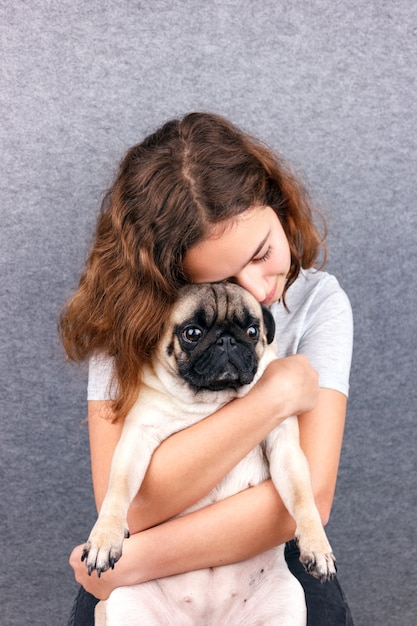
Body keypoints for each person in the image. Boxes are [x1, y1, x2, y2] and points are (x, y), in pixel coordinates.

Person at [61, 112, 354, 625]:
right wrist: (273, 397)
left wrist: (125, 565)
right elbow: (127, 507)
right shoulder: (137, 313)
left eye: (262, 252)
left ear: (277, 204)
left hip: (257, 559)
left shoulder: (320, 301)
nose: (256, 287)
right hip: (143, 570)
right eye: (220, 279)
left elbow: (311, 502)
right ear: (175, 279)